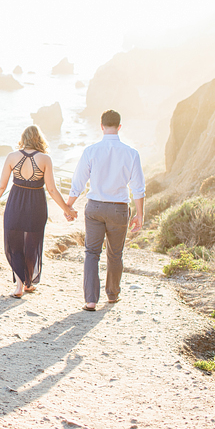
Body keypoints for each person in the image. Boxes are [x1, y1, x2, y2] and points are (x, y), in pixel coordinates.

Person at [66, 109, 146, 311]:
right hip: (119, 209)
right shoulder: (131, 153)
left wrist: (68, 205)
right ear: (119, 127)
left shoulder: (91, 151)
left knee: (92, 253)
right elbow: (138, 188)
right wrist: (140, 214)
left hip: (94, 207)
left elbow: (78, 182)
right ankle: (112, 295)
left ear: (101, 126)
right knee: (115, 254)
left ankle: (91, 300)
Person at [0, 125, 78, 298]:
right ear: (39, 139)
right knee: (32, 244)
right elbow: (51, 189)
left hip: (15, 204)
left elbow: (1, 185)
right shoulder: (45, 159)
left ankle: (20, 286)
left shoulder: (12, 157)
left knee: (15, 244)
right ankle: (28, 283)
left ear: (23, 139)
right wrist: (67, 210)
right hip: (36, 205)